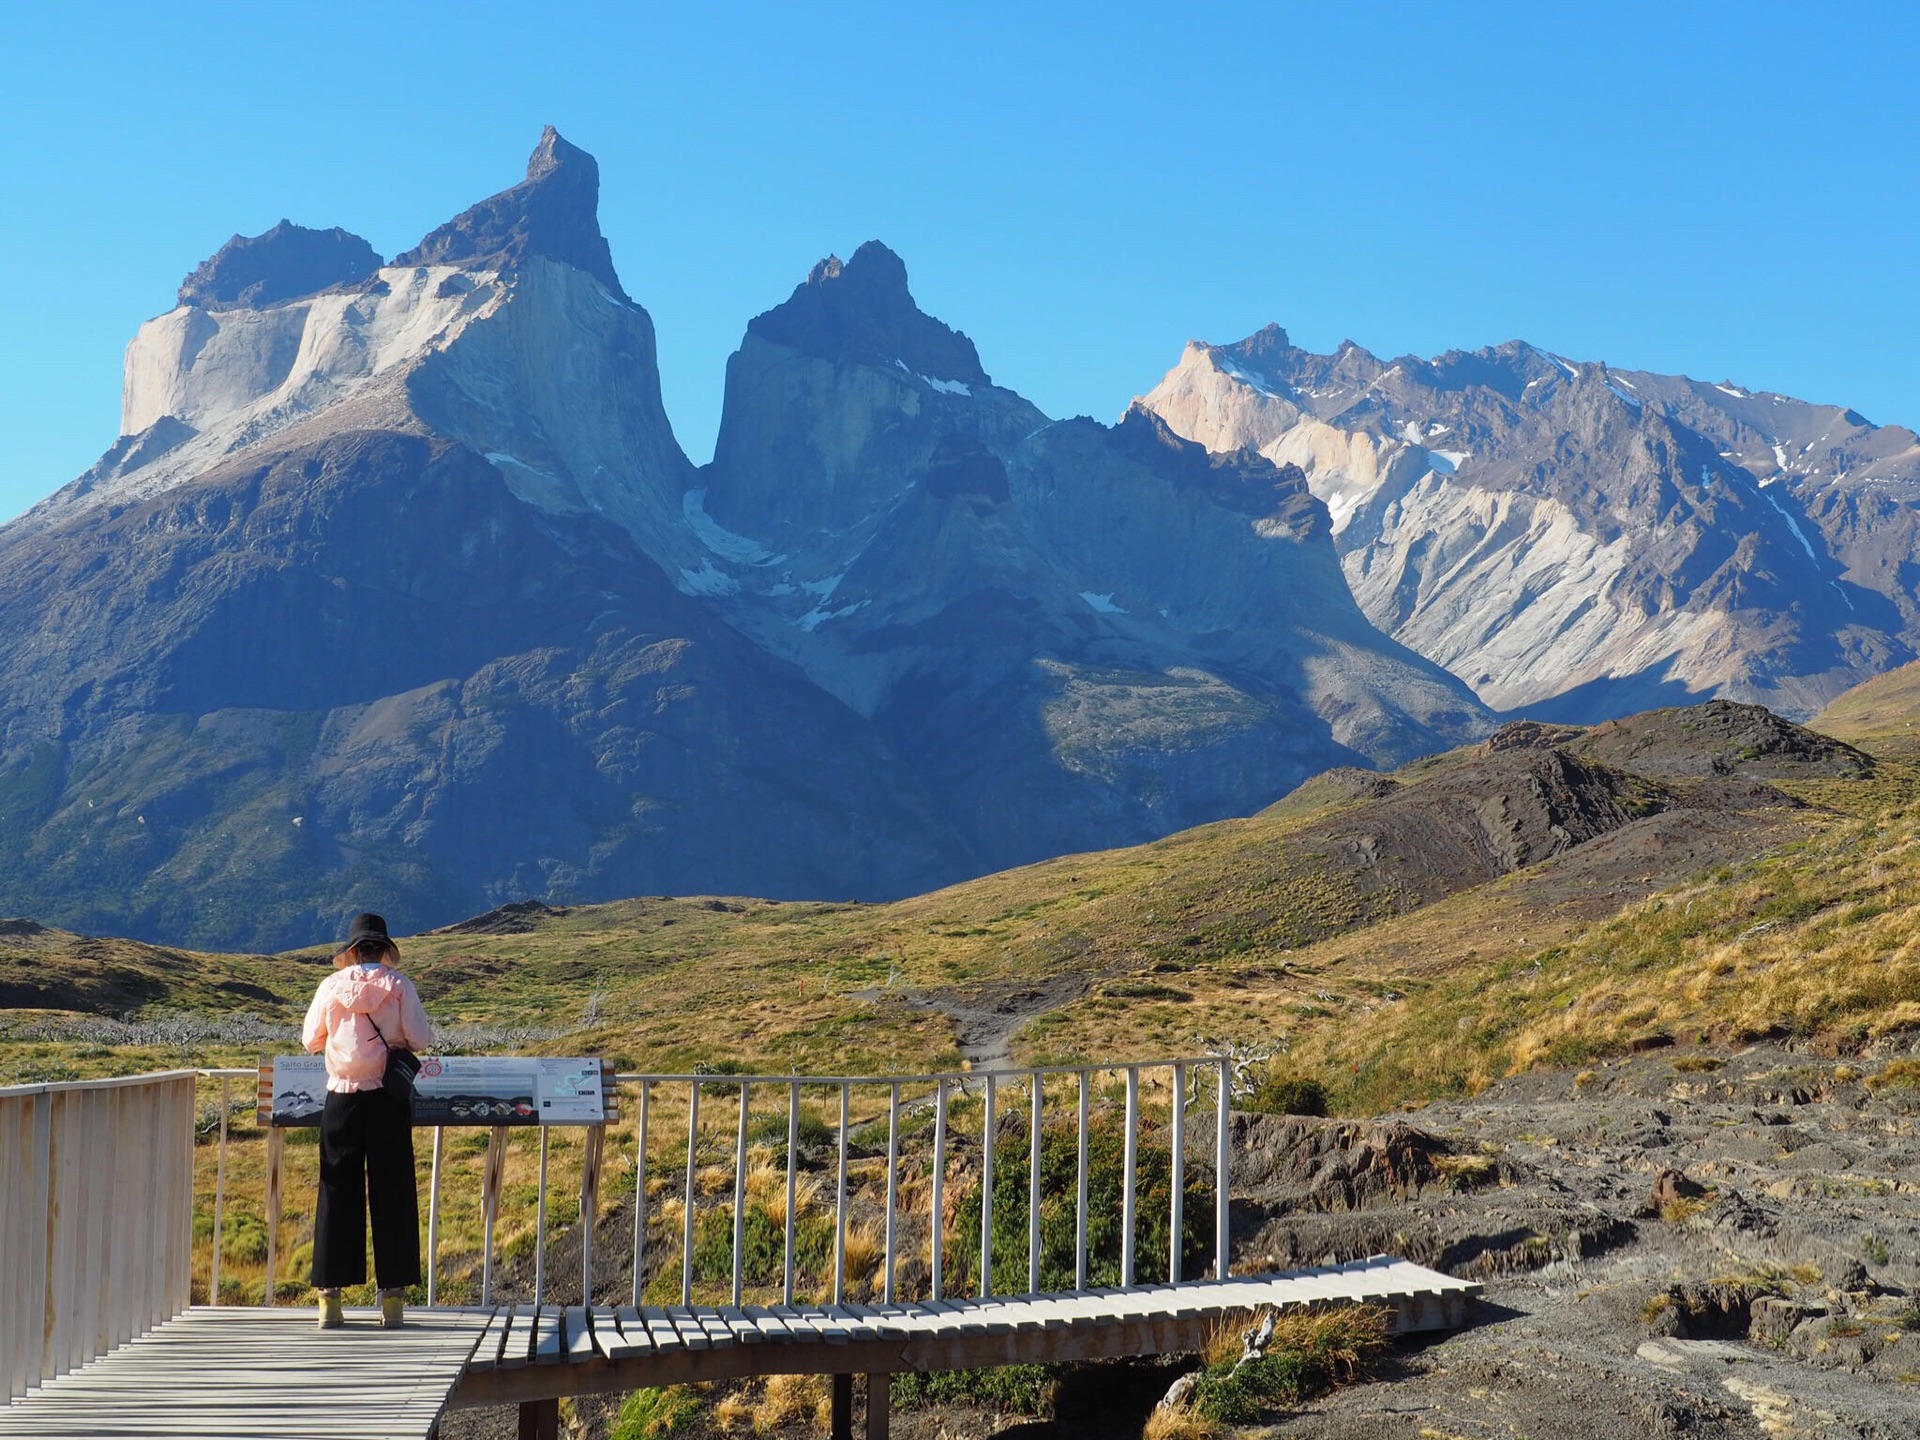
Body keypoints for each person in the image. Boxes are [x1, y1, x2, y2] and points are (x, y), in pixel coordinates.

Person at [300, 911, 434, 1329]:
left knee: (336, 1190)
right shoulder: (399, 986)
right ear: (384, 949)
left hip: (341, 1098)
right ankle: (392, 1300)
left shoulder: (330, 987)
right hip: (387, 1100)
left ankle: (330, 1301)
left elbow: (310, 1041)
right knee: (392, 1189)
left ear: (353, 951)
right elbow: (422, 1040)